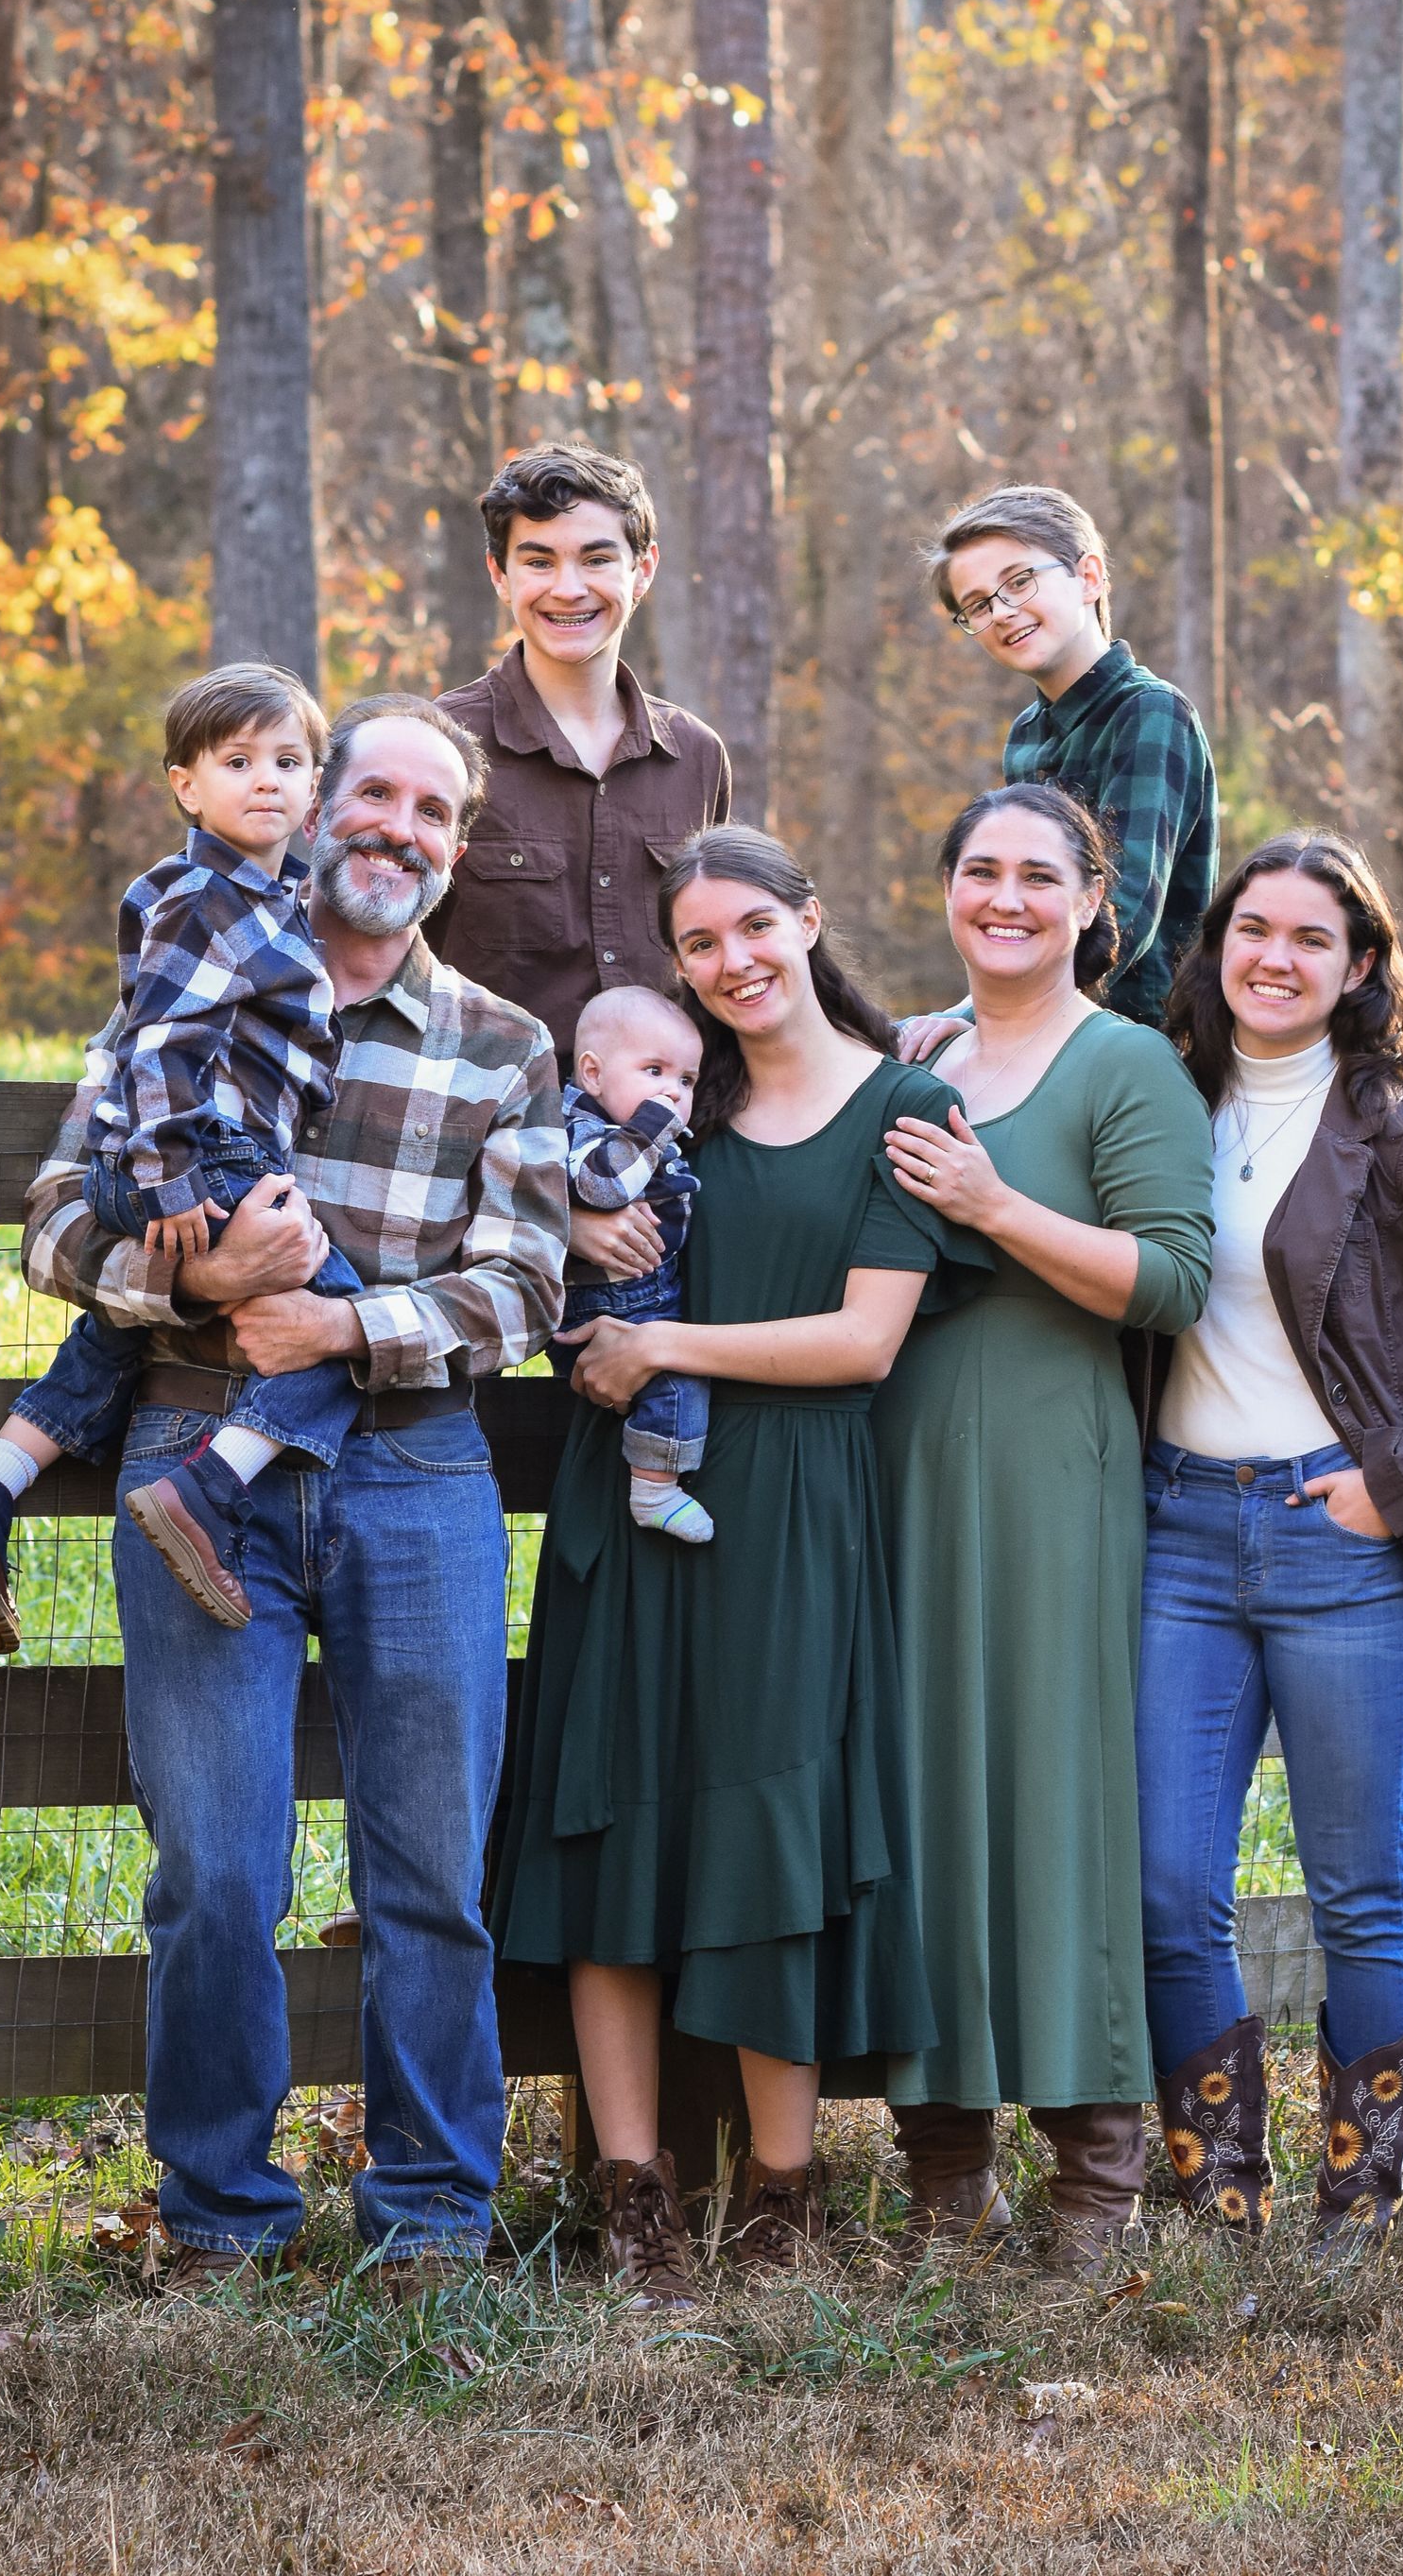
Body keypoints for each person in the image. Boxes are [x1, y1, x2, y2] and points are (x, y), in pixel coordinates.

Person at [16, 693, 568, 2294]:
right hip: (199, 1461)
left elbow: (524, 1290)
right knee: (217, 1875)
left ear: (456, 852)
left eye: (432, 810)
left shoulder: (501, 1047)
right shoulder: (187, 981)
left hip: (415, 1475)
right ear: (314, 809)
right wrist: (174, 1285)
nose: (395, 825)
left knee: (431, 1878)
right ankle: (218, 2219)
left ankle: (432, 2217)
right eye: (369, 792)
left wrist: (341, 1324)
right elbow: (55, 1224)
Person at [492, 826, 984, 2309]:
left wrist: (663, 1345)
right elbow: (512, 1204)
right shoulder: (659, 1103)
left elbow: (863, 1341)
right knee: (610, 1821)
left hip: (790, 1504)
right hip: (624, 1507)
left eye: (753, 928)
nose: (731, 963)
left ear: (808, 917)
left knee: (771, 1833)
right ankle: (631, 2194)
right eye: (699, 944)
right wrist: (574, 1220)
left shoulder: (905, 1106)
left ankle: (784, 2192)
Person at [1139, 833, 1403, 2253]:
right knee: (1164, 1880)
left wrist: (1396, 1487)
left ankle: (1355, 2202)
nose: (1272, 957)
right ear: (1216, 947)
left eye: (1310, 939)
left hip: (1343, 1545)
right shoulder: (1163, 1099)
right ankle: (1217, 2195)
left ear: (1360, 965)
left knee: (1358, 1886)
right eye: (1249, 929)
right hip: (1178, 1533)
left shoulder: (1397, 1131)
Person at [872, 783, 1214, 2275]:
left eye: (1037, 876)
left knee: (1059, 1804)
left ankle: (1095, 2176)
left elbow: (1172, 1281)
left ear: (1090, 904)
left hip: (1053, 1473)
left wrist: (999, 1207)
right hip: (893, 1474)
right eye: (978, 871)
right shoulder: (909, 1053)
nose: (1003, 896)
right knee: (920, 1797)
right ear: (945, 889)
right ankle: (944, 2166)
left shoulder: (1127, 1062)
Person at [0, 664, 376, 1652]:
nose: (267, 780)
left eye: (289, 763)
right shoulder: (208, 900)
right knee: (341, 1334)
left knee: (117, 1333)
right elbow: (159, 1043)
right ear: (186, 786)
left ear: (314, 791)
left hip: (187, 1153)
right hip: (206, 1154)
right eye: (238, 761)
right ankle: (206, 1492)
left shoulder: (268, 900)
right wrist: (172, 1179)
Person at [428, 439, 732, 1073]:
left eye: (596, 558)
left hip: (664, 1138)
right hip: (485, 1139)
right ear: (500, 575)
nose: (568, 590)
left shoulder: (697, 758)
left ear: (642, 570)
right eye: (538, 561)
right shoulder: (438, 746)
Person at [901, 484, 1218, 1058]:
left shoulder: (1149, 713)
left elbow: (1124, 917)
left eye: (1020, 582)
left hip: (1138, 1043)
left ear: (1090, 577)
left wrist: (978, 1014)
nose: (1001, 612)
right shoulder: (1026, 734)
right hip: (1043, 1031)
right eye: (976, 605)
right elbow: (1020, 905)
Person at [556, 985, 711, 1545]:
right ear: (593, 1075)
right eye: (654, 1071)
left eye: (686, 1080)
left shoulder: (637, 1129)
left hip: (645, 1290)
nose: (672, 1091)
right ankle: (654, 1491)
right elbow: (600, 1187)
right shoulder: (580, 1126)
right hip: (611, 1302)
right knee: (675, 1383)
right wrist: (650, 1128)